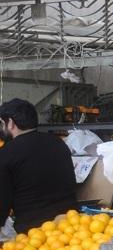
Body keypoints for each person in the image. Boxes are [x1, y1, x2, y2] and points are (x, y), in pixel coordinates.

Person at [0, 98, 77, 235]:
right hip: (70, 226)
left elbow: (2, 202)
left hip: (34, 234)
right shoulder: (58, 143)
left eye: (2, 124)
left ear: (10, 123)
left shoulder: (7, 153)